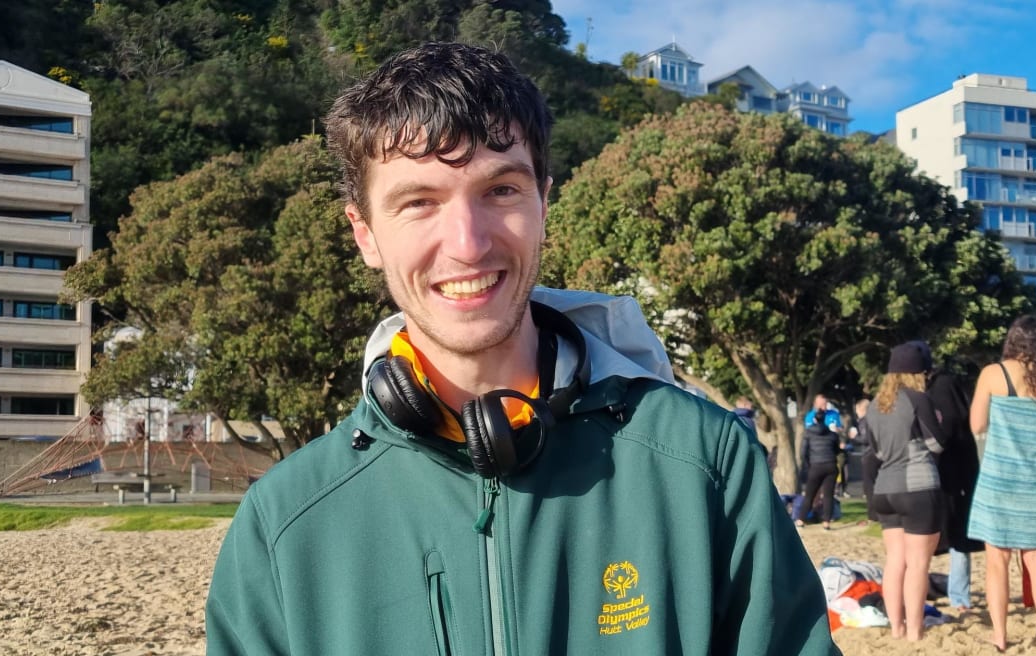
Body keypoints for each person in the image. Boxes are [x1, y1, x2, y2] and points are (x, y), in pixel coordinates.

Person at [204, 43, 838, 655]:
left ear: (544, 201)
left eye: (501, 190)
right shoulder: (283, 523)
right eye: (418, 202)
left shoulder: (704, 461)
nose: (468, 244)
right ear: (365, 234)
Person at [861, 342, 949, 642]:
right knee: (918, 565)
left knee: (895, 561)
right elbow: (937, 444)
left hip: (885, 488)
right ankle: (914, 631)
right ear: (918, 373)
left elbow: (876, 452)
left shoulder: (874, 405)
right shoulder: (918, 399)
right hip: (918, 485)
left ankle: (896, 628)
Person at [966, 314, 1036, 652]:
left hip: (998, 483)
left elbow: (977, 425)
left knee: (997, 564)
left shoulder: (993, 374)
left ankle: (1000, 638)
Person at [914, 341, 983, 614]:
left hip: (938, 475)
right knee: (955, 539)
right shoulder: (949, 391)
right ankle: (958, 595)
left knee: (930, 539)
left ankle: (948, 593)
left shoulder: (933, 392)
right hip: (957, 477)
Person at [795, 409, 841, 529]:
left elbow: (803, 452)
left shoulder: (808, 433)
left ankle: (801, 520)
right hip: (830, 465)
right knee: (828, 495)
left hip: (815, 465)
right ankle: (826, 522)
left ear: (814, 419)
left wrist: (808, 465)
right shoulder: (832, 434)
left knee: (809, 494)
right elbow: (836, 450)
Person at [849, 397, 878, 522]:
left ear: (861, 409)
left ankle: (873, 515)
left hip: (869, 455)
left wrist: (854, 438)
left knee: (869, 486)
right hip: (877, 454)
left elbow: (865, 439)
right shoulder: (876, 420)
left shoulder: (864, 421)